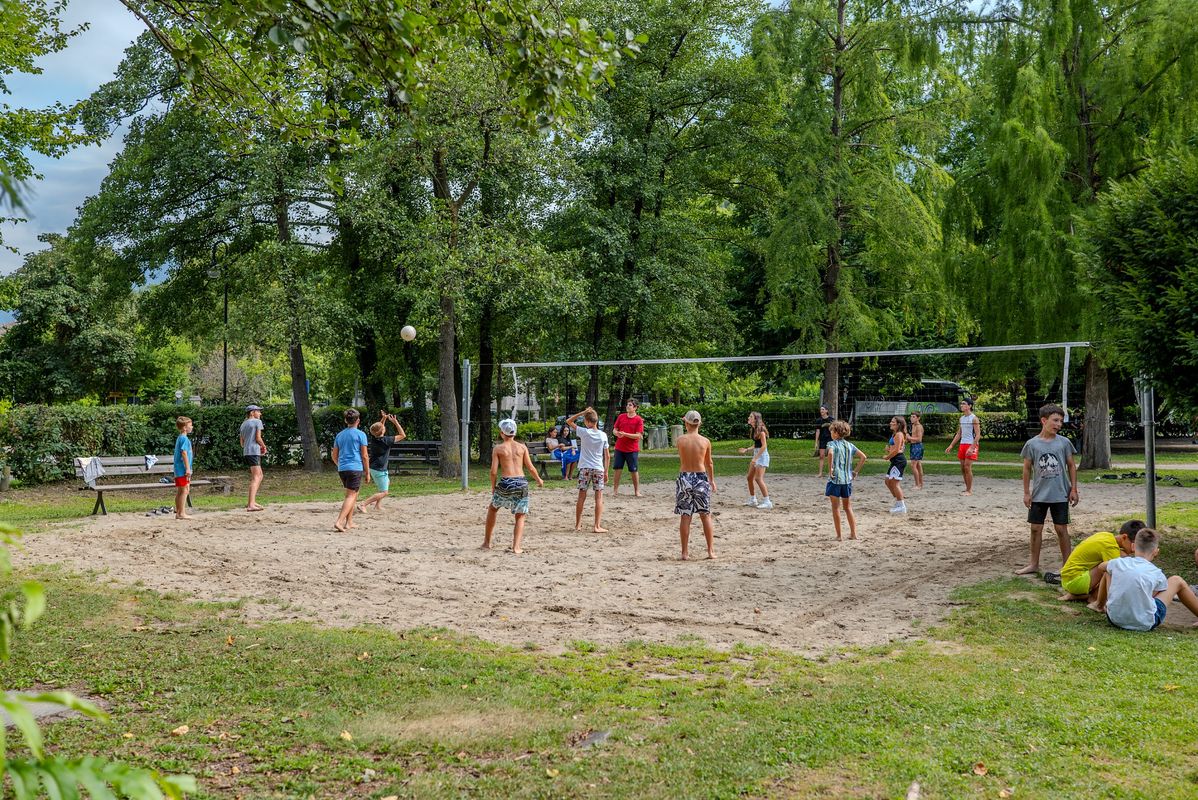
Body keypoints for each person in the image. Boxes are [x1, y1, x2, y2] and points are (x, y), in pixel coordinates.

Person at [1016, 403, 1080, 576]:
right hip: (1039, 495)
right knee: (1035, 528)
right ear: (1044, 420)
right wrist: (1027, 492)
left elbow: (1071, 466)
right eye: (1055, 420)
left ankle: (1067, 565)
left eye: (1061, 421)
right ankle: (1033, 564)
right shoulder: (1032, 444)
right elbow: (1026, 469)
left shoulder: (1064, 443)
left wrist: (1074, 489)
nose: (1059, 424)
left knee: (1061, 529)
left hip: (1060, 493)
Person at [1090, 528, 1198, 630]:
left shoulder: (1119, 563)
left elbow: (1101, 567)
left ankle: (1099, 605)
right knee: (1176, 580)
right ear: (1156, 552)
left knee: (1109, 570)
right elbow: (1154, 595)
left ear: (1133, 547)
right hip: (1146, 622)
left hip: (1115, 619)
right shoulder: (1157, 573)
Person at [483, 418, 544, 554]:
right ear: (515, 432)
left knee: (493, 509)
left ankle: (487, 542)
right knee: (520, 515)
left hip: (506, 482)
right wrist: (539, 480)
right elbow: (530, 467)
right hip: (521, 482)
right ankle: (516, 547)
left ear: (501, 433)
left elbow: (493, 472)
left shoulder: (498, 448)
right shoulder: (522, 447)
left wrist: (493, 487)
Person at [1058, 520, 1144, 602]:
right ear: (1124, 537)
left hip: (1067, 579)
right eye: (1134, 545)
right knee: (1109, 569)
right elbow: (1119, 574)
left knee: (1111, 564)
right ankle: (1094, 599)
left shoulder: (1106, 536)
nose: (1134, 550)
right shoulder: (1110, 547)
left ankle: (1081, 596)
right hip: (1075, 582)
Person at [675, 410, 717, 560]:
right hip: (700, 477)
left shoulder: (680, 440)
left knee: (685, 515)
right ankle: (710, 551)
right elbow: (709, 463)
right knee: (705, 515)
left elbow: (681, 454)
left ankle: (685, 552)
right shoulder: (705, 441)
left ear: (686, 423)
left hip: (685, 476)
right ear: (699, 423)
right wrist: (711, 480)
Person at [565, 407, 610, 533]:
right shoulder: (603, 435)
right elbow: (607, 456)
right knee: (599, 498)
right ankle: (597, 526)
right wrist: (606, 471)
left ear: (588, 421)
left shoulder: (584, 432)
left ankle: (578, 525)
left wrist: (582, 413)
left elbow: (569, 421)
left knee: (581, 497)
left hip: (585, 467)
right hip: (598, 468)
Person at [825, 420, 867, 540]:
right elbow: (863, 457)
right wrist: (855, 471)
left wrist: (831, 469)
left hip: (835, 480)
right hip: (847, 480)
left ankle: (839, 536)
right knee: (848, 507)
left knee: (835, 507)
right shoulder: (850, 445)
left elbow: (831, 454)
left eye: (832, 431)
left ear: (836, 433)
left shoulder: (831, 444)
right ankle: (853, 534)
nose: (831, 433)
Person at [330, 408, 370, 533]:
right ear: (358, 420)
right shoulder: (361, 434)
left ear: (345, 420)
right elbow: (364, 455)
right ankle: (339, 521)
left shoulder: (340, 435)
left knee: (353, 495)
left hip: (343, 469)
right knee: (351, 496)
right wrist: (367, 472)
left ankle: (349, 522)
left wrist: (339, 464)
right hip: (355, 468)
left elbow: (334, 454)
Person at [360, 411, 406, 512]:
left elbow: (379, 428)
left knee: (387, 483)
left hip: (374, 467)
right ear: (383, 431)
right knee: (384, 492)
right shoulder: (386, 440)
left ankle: (377, 506)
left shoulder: (374, 438)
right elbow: (402, 435)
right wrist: (395, 422)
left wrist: (384, 418)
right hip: (379, 469)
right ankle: (364, 504)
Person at [944, 398, 980, 495]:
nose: (961, 405)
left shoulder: (974, 418)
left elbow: (978, 435)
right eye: (961, 404)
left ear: (969, 406)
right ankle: (967, 488)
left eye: (964, 404)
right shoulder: (962, 418)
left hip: (971, 444)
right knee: (963, 468)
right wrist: (951, 445)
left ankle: (969, 490)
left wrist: (972, 447)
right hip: (962, 444)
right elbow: (959, 434)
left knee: (967, 467)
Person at [738, 411, 772, 509]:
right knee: (749, 477)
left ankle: (767, 502)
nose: (749, 418)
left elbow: (764, 446)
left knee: (758, 478)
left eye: (751, 417)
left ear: (756, 419)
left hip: (762, 456)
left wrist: (756, 458)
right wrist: (747, 449)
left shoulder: (761, 430)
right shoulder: (754, 430)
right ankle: (753, 500)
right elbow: (757, 445)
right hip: (756, 455)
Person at [611, 399, 645, 496]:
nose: (627, 406)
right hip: (619, 448)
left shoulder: (638, 419)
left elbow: (638, 435)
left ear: (635, 407)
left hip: (632, 449)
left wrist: (625, 434)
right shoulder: (621, 417)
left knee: (633, 470)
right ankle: (615, 490)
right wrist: (617, 433)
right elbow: (614, 429)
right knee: (617, 468)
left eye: (630, 405)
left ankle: (636, 491)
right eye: (627, 404)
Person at [239, 404, 268, 512]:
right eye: (258, 411)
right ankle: (251, 504)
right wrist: (263, 446)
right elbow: (258, 438)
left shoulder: (243, 424)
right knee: (256, 477)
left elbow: (242, 442)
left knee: (259, 475)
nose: (260, 413)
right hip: (254, 451)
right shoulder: (257, 422)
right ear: (252, 413)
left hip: (247, 451)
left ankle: (252, 501)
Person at [882, 415, 908, 514]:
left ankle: (901, 506)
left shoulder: (899, 434)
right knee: (888, 481)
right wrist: (889, 450)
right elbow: (898, 448)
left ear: (899, 424)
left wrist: (887, 456)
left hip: (898, 460)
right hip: (895, 460)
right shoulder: (895, 434)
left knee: (894, 483)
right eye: (891, 421)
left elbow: (897, 450)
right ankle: (898, 501)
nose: (891, 423)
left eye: (893, 422)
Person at [173, 416, 194, 520]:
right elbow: (184, 453)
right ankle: (182, 513)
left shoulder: (180, 437)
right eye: (190, 425)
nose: (192, 427)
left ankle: (178, 512)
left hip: (179, 469)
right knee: (185, 490)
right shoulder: (184, 438)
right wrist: (187, 468)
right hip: (182, 469)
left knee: (181, 491)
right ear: (185, 427)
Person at [814, 406, 834, 478]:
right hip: (822, 439)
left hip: (830, 439)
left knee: (830, 456)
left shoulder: (831, 420)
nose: (821, 411)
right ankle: (820, 473)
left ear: (826, 411)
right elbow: (817, 431)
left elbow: (834, 430)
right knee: (821, 456)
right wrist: (816, 442)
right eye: (820, 409)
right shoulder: (818, 420)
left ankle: (831, 473)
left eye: (823, 409)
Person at [907, 411, 925, 490]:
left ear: (918, 418)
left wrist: (909, 438)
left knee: (913, 465)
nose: (911, 418)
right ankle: (920, 484)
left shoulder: (918, 426)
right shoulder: (913, 425)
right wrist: (908, 440)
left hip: (917, 446)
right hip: (913, 445)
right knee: (918, 465)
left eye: (914, 417)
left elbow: (919, 439)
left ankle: (917, 485)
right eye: (911, 416)